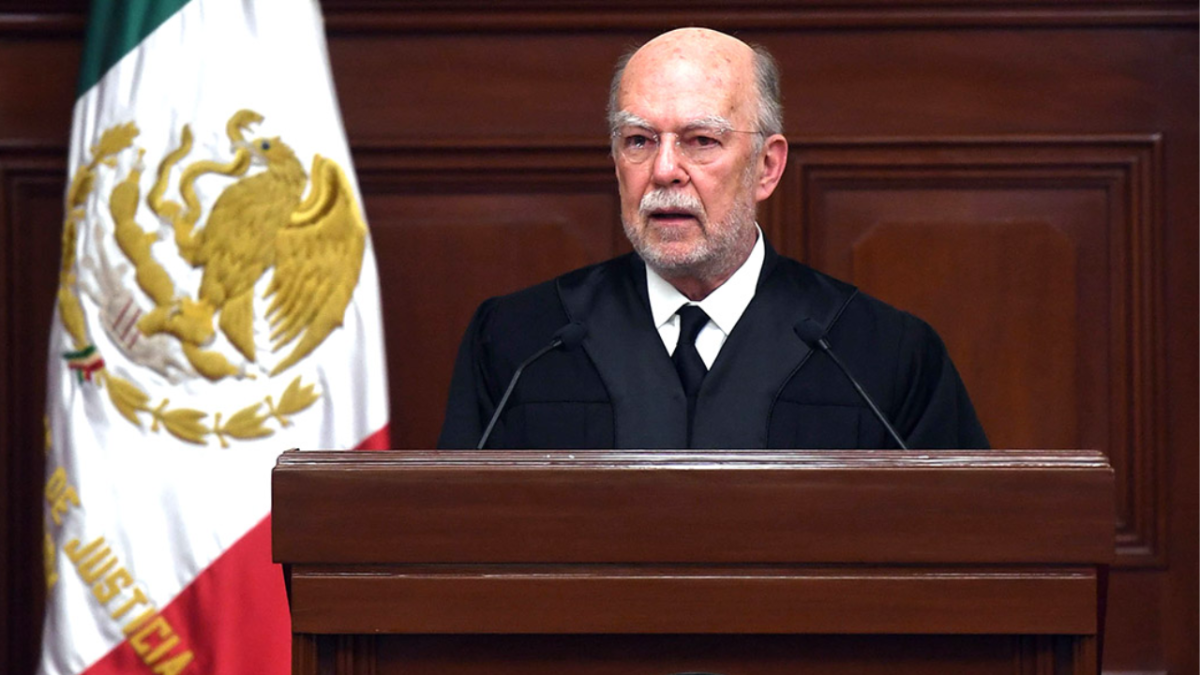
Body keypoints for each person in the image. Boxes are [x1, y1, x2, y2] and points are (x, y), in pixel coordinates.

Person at [438, 27, 988, 450]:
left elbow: (955, 551)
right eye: (639, 140)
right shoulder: (521, 343)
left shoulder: (880, 354)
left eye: (701, 140)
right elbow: (458, 545)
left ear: (767, 167)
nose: (665, 170)